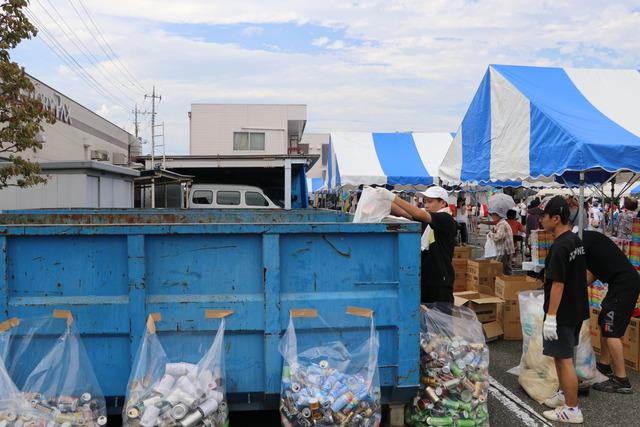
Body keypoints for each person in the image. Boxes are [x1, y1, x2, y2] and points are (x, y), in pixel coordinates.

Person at [539, 196, 588, 423]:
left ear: (556, 218)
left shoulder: (560, 246)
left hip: (563, 311)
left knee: (563, 358)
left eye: (543, 216)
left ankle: (571, 408)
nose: (540, 220)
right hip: (576, 308)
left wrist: (551, 316)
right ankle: (564, 395)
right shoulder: (575, 240)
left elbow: (558, 283)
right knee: (565, 355)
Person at [380, 186, 458, 303]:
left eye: (430, 201)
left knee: (440, 317)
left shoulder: (445, 218)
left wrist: (392, 197)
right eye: (425, 202)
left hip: (440, 282)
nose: (426, 205)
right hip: (426, 279)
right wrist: (382, 200)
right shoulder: (429, 221)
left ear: (442, 203)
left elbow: (420, 214)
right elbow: (402, 212)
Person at [487, 204, 515, 275]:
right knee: (507, 270)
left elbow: (498, 237)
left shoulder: (502, 224)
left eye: (493, 215)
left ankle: (505, 284)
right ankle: (511, 283)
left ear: (497, 215)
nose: (492, 217)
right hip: (507, 250)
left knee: (498, 269)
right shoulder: (501, 223)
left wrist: (490, 234)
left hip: (504, 250)